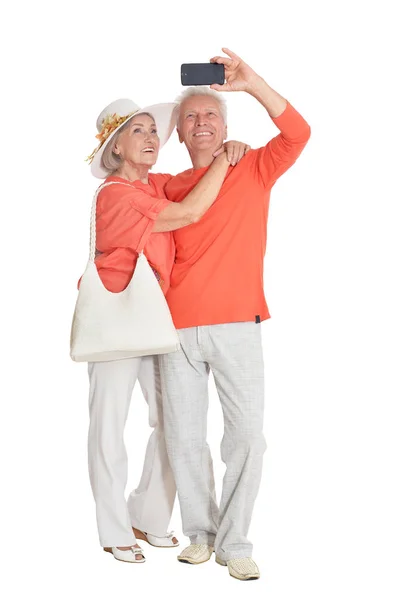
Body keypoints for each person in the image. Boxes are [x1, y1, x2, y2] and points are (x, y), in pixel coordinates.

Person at [159, 48, 311, 580]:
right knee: (183, 438)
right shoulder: (164, 186)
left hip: (238, 323)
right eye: (191, 118)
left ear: (224, 124)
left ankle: (235, 542)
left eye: (211, 115)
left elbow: (298, 133)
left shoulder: (254, 169)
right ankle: (200, 534)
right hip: (173, 328)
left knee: (247, 437)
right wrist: (221, 161)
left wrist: (250, 83)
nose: (201, 123)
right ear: (178, 132)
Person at [82, 97, 249, 563]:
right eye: (138, 131)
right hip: (115, 320)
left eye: (155, 130)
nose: (153, 137)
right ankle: (114, 528)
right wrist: (223, 159)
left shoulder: (155, 184)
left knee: (173, 423)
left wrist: (215, 131)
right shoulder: (117, 193)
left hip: (156, 319)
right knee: (108, 426)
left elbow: (187, 171)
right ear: (115, 149)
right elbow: (190, 213)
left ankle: (150, 515)